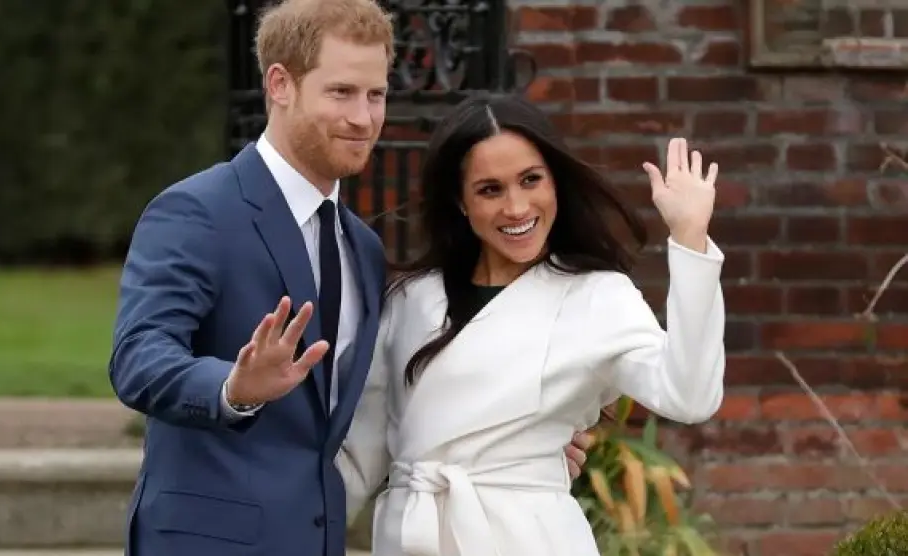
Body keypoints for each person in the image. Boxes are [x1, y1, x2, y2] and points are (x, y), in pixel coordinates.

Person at [109, 1, 590, 555]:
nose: (363, 118)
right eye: (341, 93)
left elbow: (381, 405)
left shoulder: (361, 248)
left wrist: (512, 446)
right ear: (280, 84)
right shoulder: (196, 211)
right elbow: (138, 358)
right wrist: (232, 389)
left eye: (375, 95)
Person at [335, 95, 726, 555]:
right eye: (490, 190)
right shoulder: (410, 300)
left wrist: (689, 235)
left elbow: (689, 395)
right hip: (413, 537)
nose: (517, 207)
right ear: (460, 201)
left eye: (530, 180)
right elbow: (357, 459)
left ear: (554, 181)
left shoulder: (597, 297)